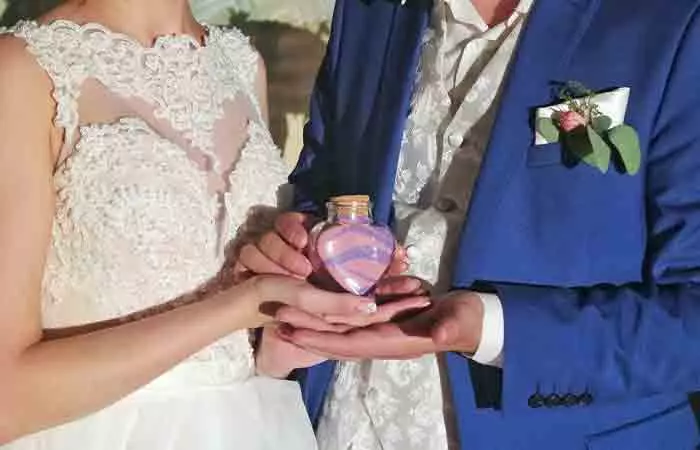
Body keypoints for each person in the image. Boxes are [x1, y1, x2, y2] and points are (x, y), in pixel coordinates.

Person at [242, 0, 700, 448]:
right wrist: (306, 244)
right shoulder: (370, 10)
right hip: (339, 423)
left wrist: (492, 329)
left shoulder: (674, 20)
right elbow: (324, 183)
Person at [0, 0, 428, 448]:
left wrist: (282, 337)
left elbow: (229, 353)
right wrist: (246, 302)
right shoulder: (25, 71)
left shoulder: (240, 63)